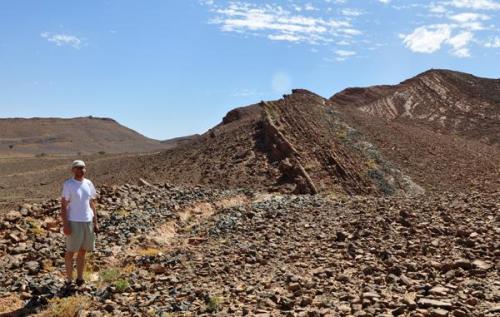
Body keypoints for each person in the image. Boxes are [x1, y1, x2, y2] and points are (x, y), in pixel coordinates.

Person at [60, 160, 99, 287]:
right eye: (77, 168)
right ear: (73, 170)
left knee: (83, 251)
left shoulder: (88, 183)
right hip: (74, 221)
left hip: (87, 221)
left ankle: (80, 278)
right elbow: (64, 205)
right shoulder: (68, 184)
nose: (80, 170)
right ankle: (69, 280)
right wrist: (65, 224)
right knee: (71, 251)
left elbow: (92, 202)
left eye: (82, 168)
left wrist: (95, 221)